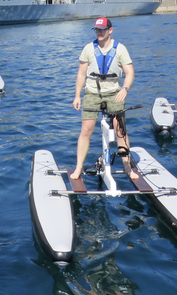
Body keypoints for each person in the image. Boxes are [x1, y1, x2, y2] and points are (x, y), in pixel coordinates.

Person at [71, 17, 137, 181]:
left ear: (110, 30)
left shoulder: (120, 49)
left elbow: (130, 73)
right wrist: (77, 96)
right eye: (97, 30)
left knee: (120, 130)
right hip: (92, 93)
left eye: (102, 29)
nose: (99, 32)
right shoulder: (88, 48)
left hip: (114, 92)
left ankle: (128, 167)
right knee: (86, 130)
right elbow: (81, 74)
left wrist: (125, 89)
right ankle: (79, 167)